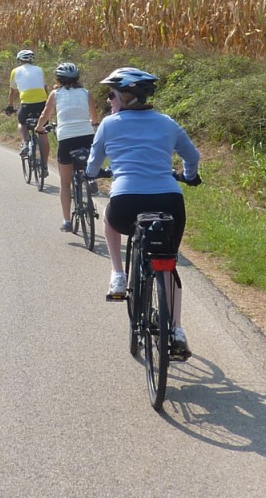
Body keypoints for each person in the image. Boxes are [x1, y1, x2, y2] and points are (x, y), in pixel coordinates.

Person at [85, 66, 201, 358]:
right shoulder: (167, 122)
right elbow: (192, 157)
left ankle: (117, 275)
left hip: (126, 201)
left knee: (109, 221)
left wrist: (96, 173)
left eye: (111, 95)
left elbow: (92, 166)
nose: (109, 101)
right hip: (169, 201)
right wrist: (188, 175)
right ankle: (175, 329)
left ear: (125, 97)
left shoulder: (109, 125)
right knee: (168, 265)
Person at [36, 62, 99, 232]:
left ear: (58, 79)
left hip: (66, 139)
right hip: (86, 136)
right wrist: (94, 126)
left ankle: (66, 221)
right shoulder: (86, 93)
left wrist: (39, 127)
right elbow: (94, 116)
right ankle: (91, 179)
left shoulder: (55, 94)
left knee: (65, 183)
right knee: (87, 164)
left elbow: (45, 114)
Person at [5, 49, 49, 177]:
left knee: (21, 122)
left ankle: (25, 142)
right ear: (31, 60)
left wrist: (10, 106)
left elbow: (12, 92)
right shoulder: (39, 70)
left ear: (19, 61)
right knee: (43, 133)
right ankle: (44, 166)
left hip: (26, 104)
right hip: (42, 102)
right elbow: (45, 88)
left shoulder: (15, 71)